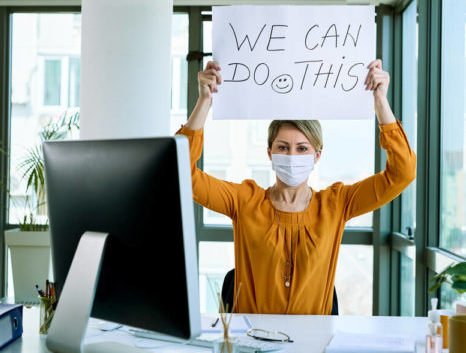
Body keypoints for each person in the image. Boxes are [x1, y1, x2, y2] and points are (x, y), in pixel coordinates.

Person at [176, 59, 416, 315]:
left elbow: (402, 173)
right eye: (282, 147)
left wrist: (380, 103)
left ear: (317, 155)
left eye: (302, 148)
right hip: (252, 342)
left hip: (313, 342)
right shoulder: (245, 200)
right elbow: (180, 172)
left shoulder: (336, 204)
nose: (292, 155)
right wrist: (204, 103)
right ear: (269, 153)